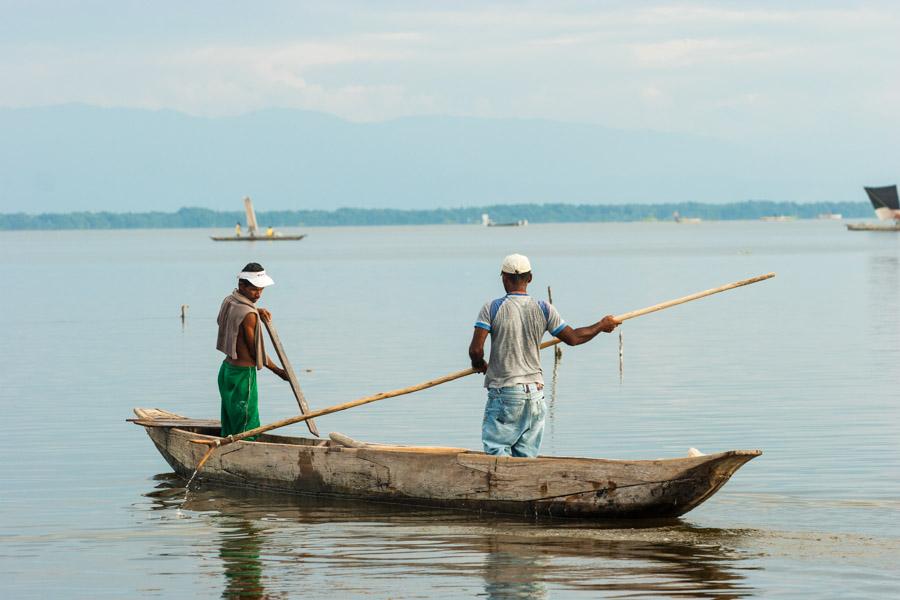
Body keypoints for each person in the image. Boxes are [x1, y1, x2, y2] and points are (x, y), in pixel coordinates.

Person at [468, 254, 619, 457]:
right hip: (535, 395)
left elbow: (476, 350)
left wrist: (479, 363)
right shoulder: (544, 308)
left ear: (503, 278)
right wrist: (601, 325)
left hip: (506, 393)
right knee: (525, 458)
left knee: (497, 453)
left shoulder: (492, 308)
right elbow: (574, 338)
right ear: (530, 278)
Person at [216, 263, 288, 439]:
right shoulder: (249, 315)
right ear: (242, 285)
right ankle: (247, 451)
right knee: (248, 423)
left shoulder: (229, 301)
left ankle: (229, 451)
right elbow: (256, 353)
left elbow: (236, 313)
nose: (258, 294)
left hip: (226, 372)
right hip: (243, 376)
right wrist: (278, 371)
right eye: (255, 290)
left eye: (261, 290)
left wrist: (256, 309)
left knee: (231, 421)